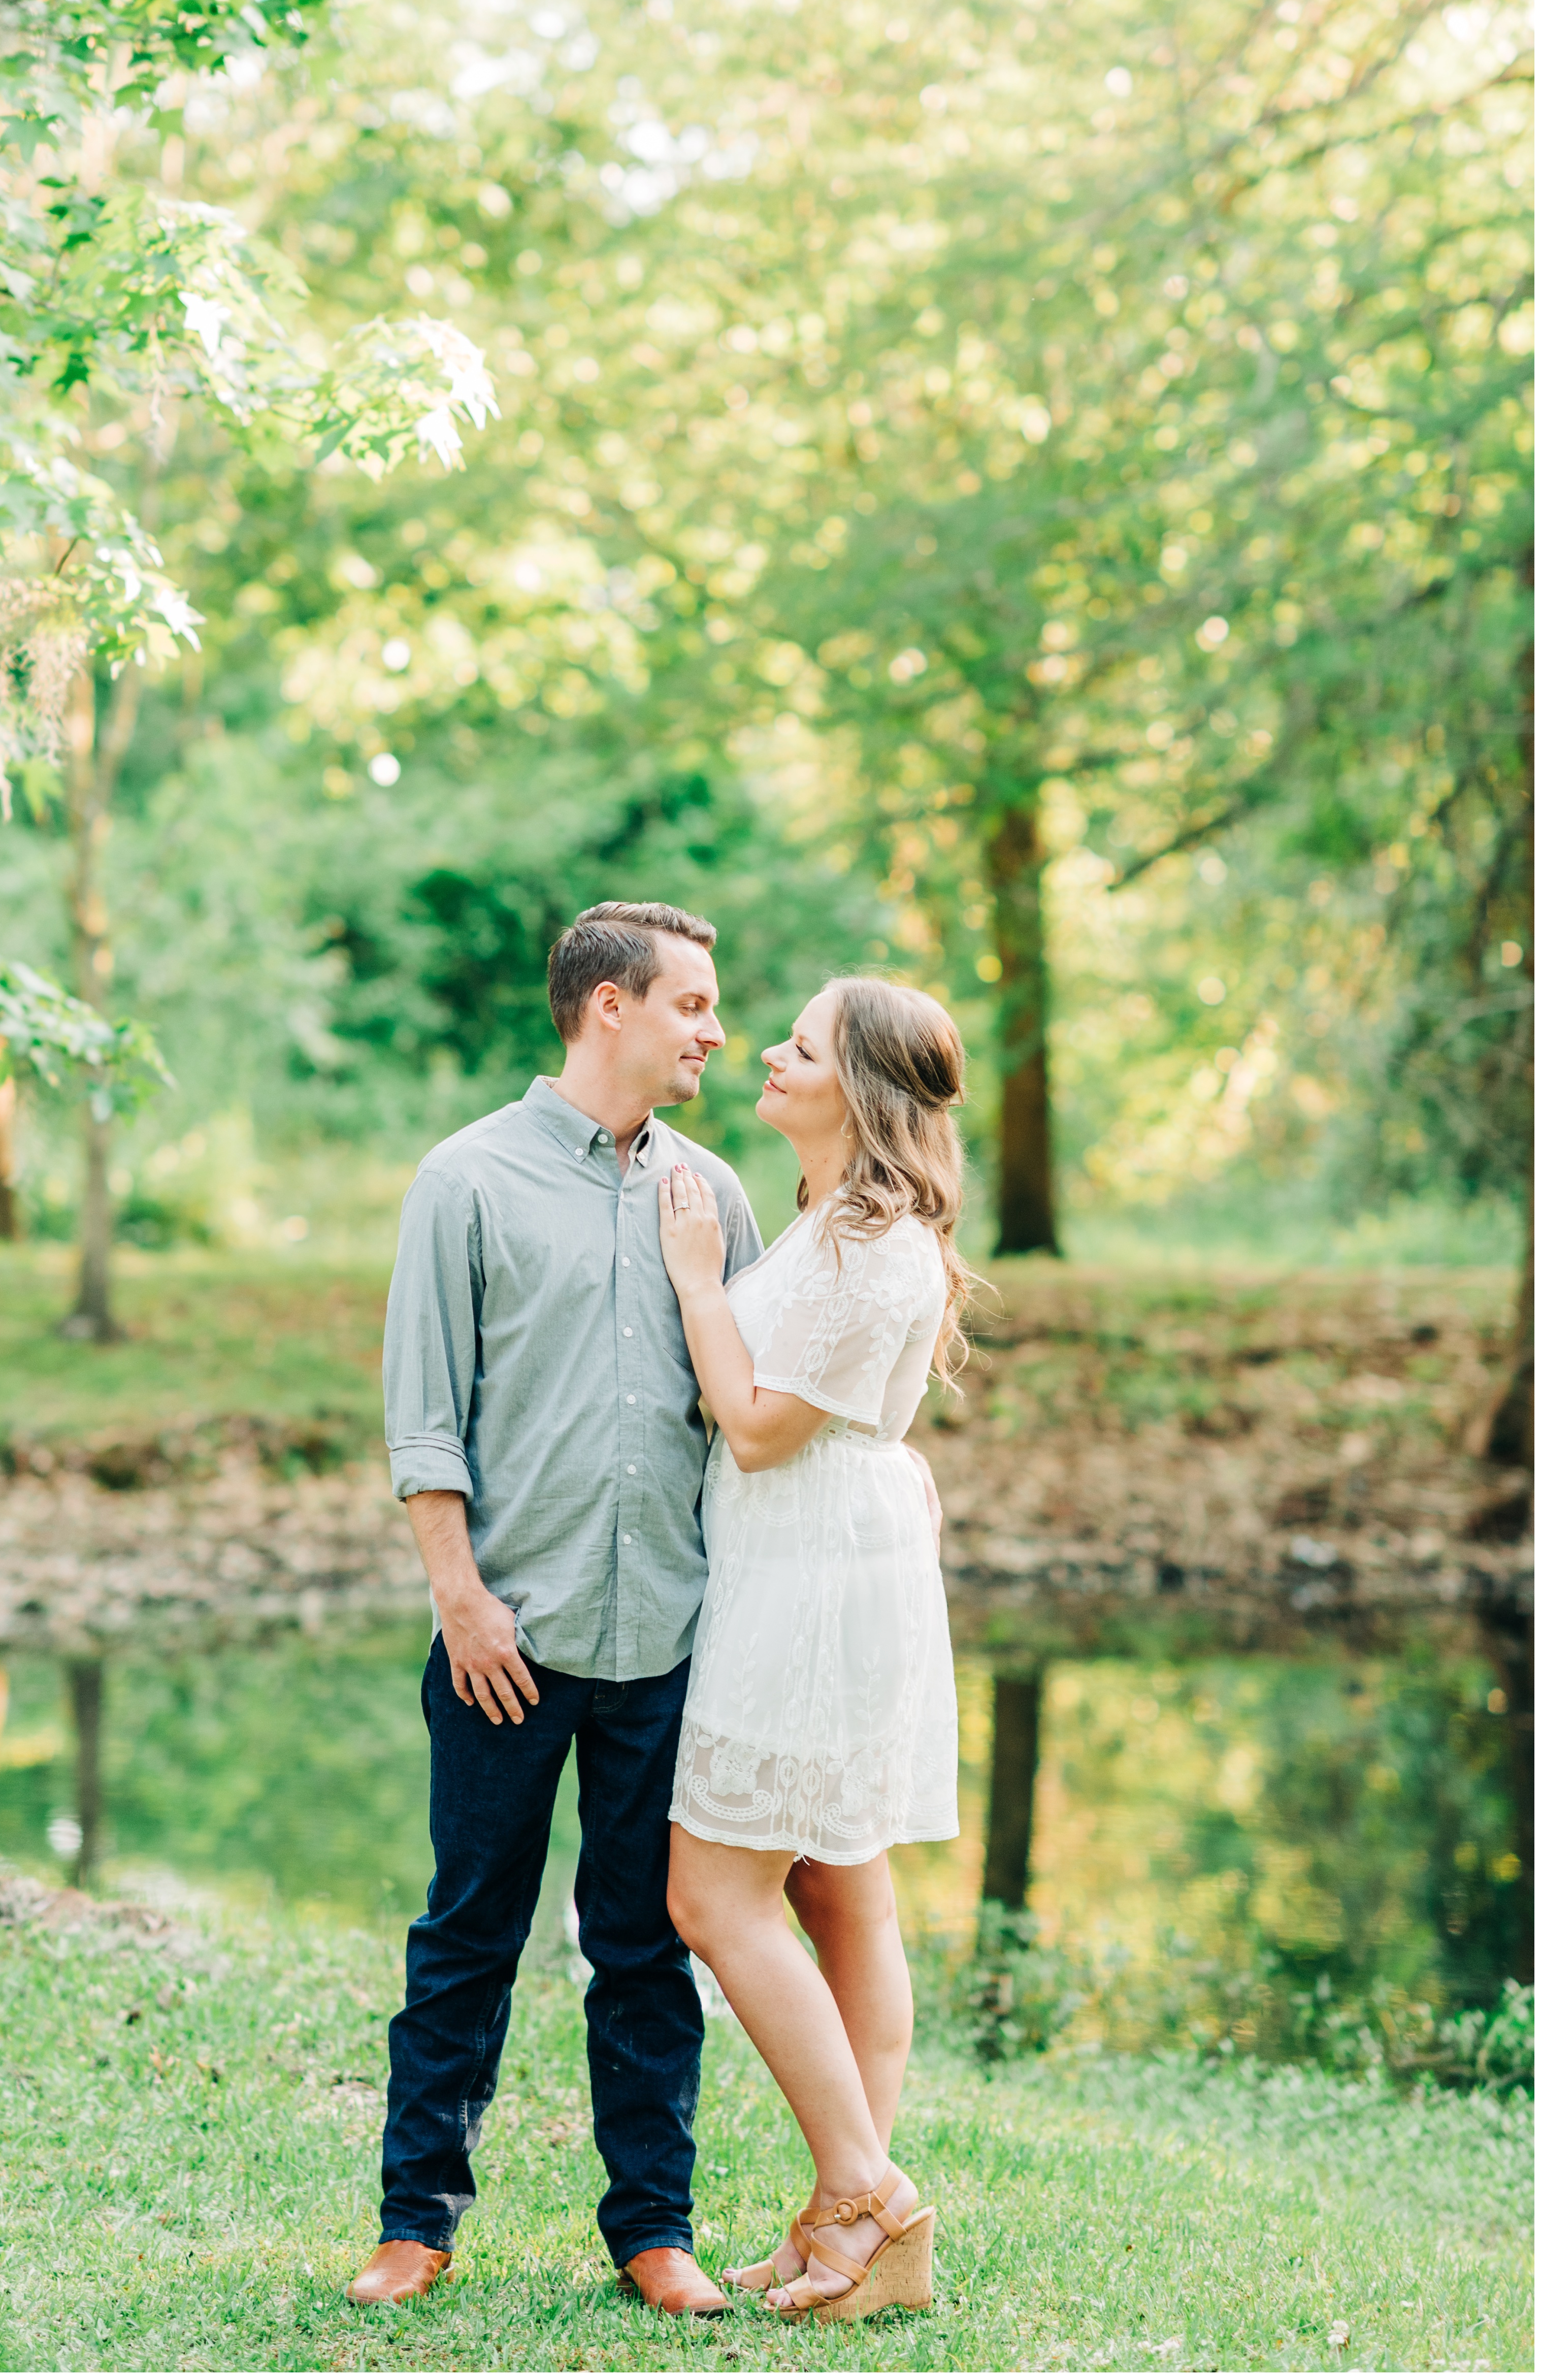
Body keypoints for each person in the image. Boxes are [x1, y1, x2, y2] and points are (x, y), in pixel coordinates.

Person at [346, 900, 763, 2318]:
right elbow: (424, 1418)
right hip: (502, 1642)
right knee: (468, 1930)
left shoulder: (713, 1195)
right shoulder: (463, 1180)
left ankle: (653, 2228)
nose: (715, 1030)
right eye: (693, 1003)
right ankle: (416, 2223)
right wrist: (460, 1600)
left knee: (644, 1945)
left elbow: (746, 1423)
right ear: (610, 1007)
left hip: (669, 1637)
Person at [657, 974, 969, 2324]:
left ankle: (871, 2195)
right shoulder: (831, 1218)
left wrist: (689, 1282)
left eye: (798, 1044)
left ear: (861, 1088)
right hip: (818, 1555)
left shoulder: (874, 1240)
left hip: (815, 1577)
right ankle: (842, 2221)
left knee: (714, 1893)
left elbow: (756, 1422)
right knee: (842, 1892)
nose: (766, 1056)